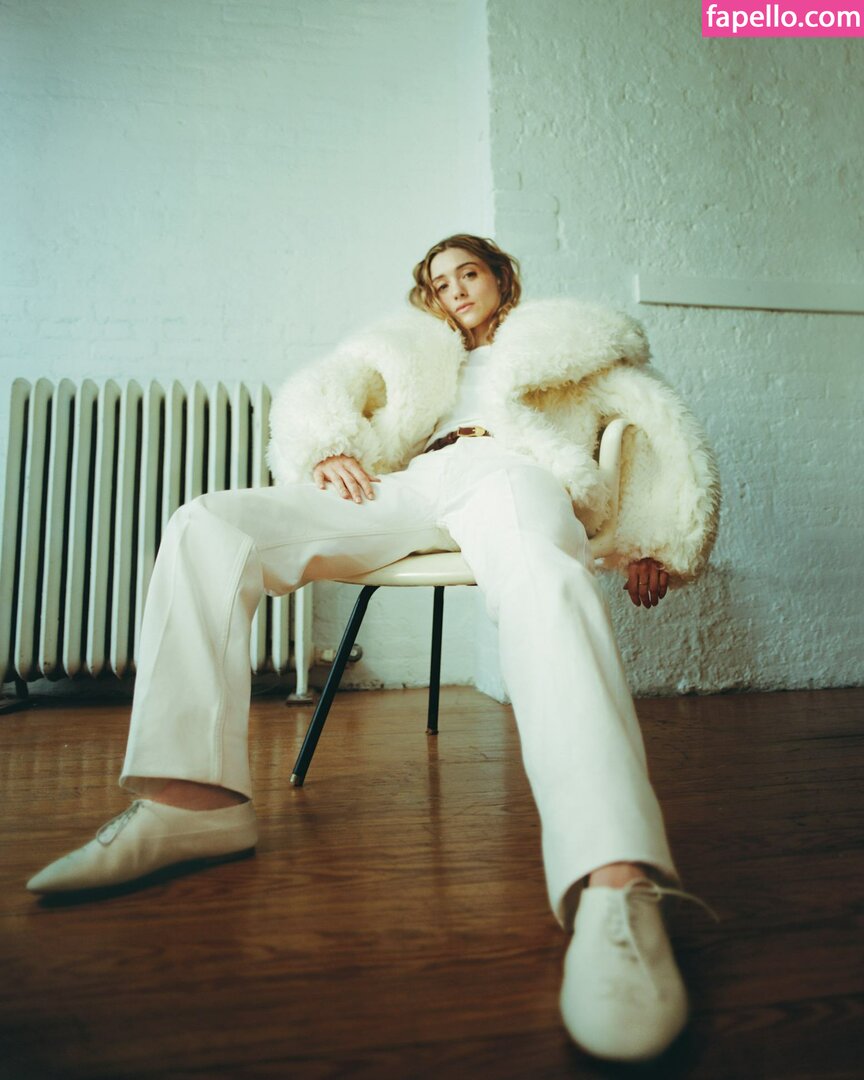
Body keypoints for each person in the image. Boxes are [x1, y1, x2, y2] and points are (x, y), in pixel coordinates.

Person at [27, 234, 721, 1063]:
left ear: (501, 278)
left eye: (469, 273)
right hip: (411, 482)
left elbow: (659, 423)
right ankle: (193, 804)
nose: (455, 289)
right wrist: (327, 446)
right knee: (209, 524)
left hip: (512, 474)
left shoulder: (568, 341)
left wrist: (656, 535)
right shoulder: (410, 350)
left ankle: (613, 876)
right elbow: (326, 387)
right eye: (440, 281)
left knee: (546, 574)